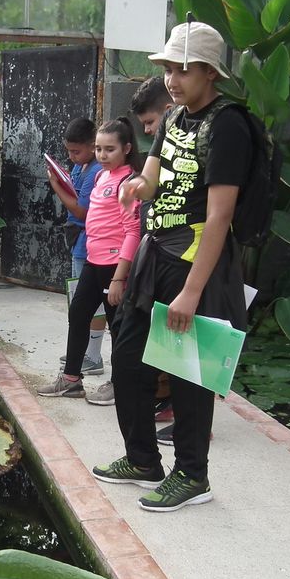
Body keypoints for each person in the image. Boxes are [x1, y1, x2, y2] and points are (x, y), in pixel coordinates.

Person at [91, 21, 250, 512]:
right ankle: (142, 459)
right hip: (154, 254)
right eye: (168, 69)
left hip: (195, 261)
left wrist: (191, 292)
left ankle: (192, 476)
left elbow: (221, 216)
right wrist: (134, 187)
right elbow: (152, 178)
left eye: (183, 70)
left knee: (188, 373)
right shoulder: (175, 118)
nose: (173, 80)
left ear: (210, 72)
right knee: (128, 358)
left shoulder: (229, 125)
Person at [37, 118, 143, 401]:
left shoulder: (129, 182)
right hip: (93, 261)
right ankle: (71, 379)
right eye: (98, 149)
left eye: (110, 149)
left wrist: (120, 276)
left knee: (118, 326)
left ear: (127, 149)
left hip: (113, 266)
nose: (102, 155)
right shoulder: (99, 176)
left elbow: (133, 231)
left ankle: (121, 384)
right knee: (78, 314)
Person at [131, 76, 178, 431]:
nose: (147, 131)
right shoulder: (162, 148)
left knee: (187, 345)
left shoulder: (202, 139)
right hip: (159, 254)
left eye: (149, 123)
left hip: (185, 257)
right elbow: (147, 189)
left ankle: (187, 415)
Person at [49, 118, 109, 383]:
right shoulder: (82, 167)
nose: (72, 157)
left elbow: (82, 210)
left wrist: (56, 188)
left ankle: (93, 356)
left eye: (77, 152)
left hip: (90, 244)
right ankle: (86, 355)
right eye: (69, 152)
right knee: (80, 304)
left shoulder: (96, 171)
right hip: (80, 241)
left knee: (87, 305)